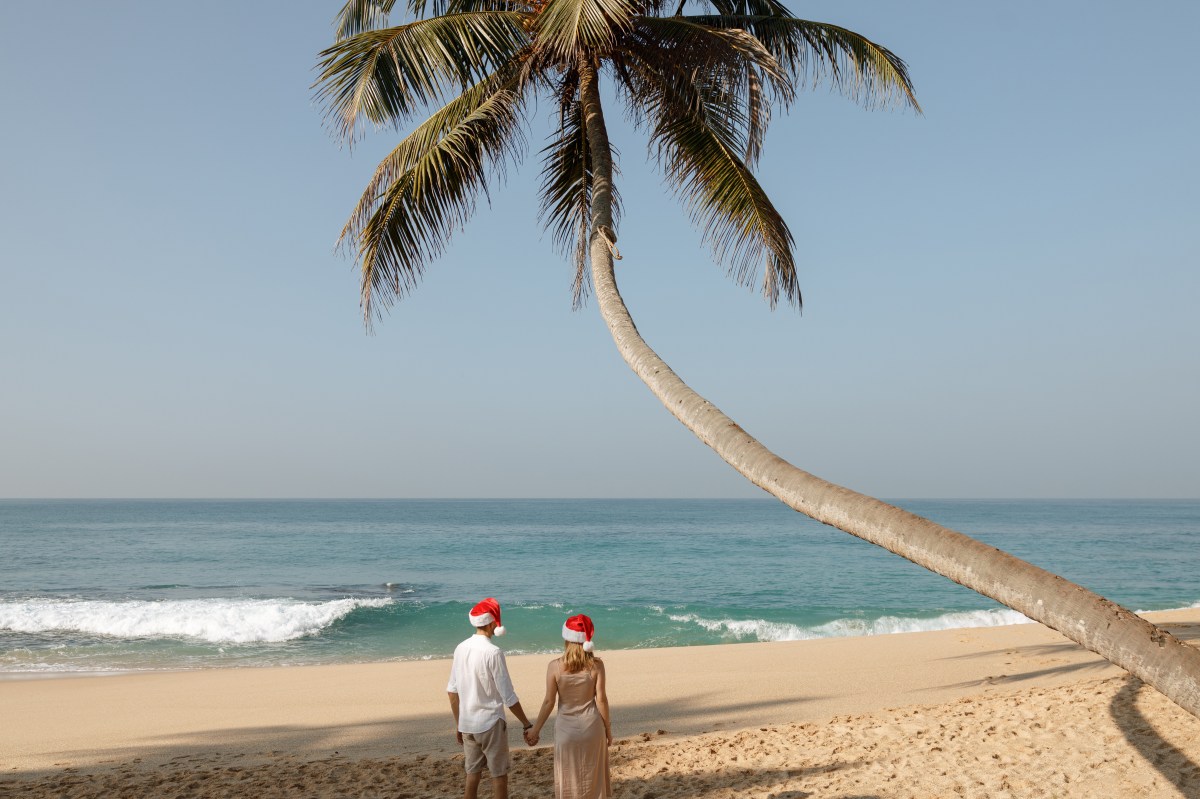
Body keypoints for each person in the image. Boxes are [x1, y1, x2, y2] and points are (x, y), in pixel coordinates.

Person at [447, 597, 533, 799]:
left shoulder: (460, 648)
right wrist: (526, 724)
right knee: (499, 775)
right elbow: (508, 696)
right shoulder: (493, 652)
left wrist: (459, 723)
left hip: (467, 723)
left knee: (472, 774)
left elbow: (452, 691)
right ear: (492, 622)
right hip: (491, 723)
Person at [524, 614, 612, 799]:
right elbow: (601, 700)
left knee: (568, 779)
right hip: (592, 728)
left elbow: (549, 701)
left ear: (566, 638)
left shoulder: (554, 666)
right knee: (594, 780)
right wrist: (608, 729)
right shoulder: (597, 666)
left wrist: (535, 731)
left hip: (566, 731)